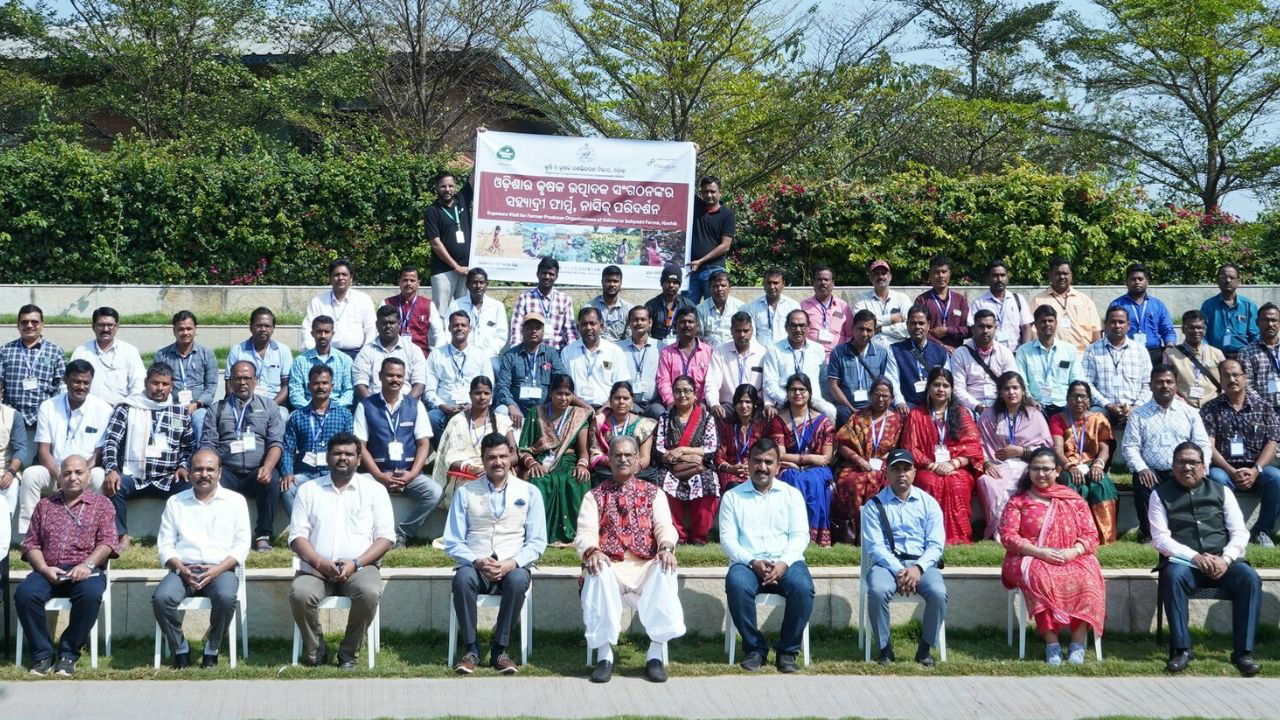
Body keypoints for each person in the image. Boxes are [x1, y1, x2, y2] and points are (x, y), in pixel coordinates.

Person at [575, 435, 685, 684]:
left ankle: (655, 655)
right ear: (609, 461)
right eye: (617, 456)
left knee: (666, 567)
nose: (623, 459)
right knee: (596, 569)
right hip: (611, 566)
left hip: (644, 565)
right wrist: (593, 551)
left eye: (628, 455)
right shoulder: (594, 495)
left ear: (638, 460)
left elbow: (665, 527)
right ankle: (604, 656)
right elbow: (585, 532)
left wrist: (666, 547)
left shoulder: (654, 493)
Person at [1150, 442, 1261, 677]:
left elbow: (1240, 532)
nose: (1187, 467)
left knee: (1249, 578)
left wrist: (1226, 559)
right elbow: (1160, 539)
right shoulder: (1159, 495)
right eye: (1181, 462)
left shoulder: (1222, 491)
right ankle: (1182, 649)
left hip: (1225, 562)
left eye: (1193, 462)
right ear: (1172, 465)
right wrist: (1195, 557)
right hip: (1185, 563)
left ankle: (1243, 652)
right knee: (1172, 576)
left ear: (1204, 466)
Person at [288, 433, 394, 670]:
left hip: (360, 567)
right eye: (337, 453)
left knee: (368, 593)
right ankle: (317, 652)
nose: (342, 458)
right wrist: (319, 562)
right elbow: (297, 537)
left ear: (359, 458)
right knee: (300, 594)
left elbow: (386, 538)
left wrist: (355, 563)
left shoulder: (374, 490)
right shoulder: (308, 490)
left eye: (349, 454)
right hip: (315, 569)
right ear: (327, 457)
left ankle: (348, 653)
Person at [444, 433, 547, 674]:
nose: (497, 462)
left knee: (519, 579)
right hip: (476, 565)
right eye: (491, 457)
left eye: (502, 456)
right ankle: (471, 649)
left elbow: (538, 542)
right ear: (483, 459)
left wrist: (512, 563)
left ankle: (500, 650)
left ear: (511, 457)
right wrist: (477, 561)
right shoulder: (465, 492)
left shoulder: (530, 492)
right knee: (462, 579)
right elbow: (452, 540)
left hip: (512, 564)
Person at [999, 448, 1106, 666]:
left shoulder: (1073, 500)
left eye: (1046, 469)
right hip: (1031, 555)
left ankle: (1077, 643)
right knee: (1040, 578)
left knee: (1087, 577)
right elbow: (1008, 536)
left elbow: (1091, 535)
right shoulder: (1018, 501)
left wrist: (1073, 551)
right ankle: (1052, 644)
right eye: (1035, 469)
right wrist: (1040, 552)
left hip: (1071, 555)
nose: (1041, 474)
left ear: (1057, 471)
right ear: (1028, 471)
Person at [15, 455, 118, 676]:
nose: (73, 477)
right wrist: (43, 569)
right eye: (67, 473)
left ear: (88, 476)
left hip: (85, 571)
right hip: (48, 569)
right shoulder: (45, 505)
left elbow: (108, 541)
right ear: (59, 478)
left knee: (90, 596)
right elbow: (30, 544)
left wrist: (87, 564)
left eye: (78, 472)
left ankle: (68, 654)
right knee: (25, 594)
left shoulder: (102, 505)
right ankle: (42, 655)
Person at [720, 437, 813, 673]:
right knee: (736, 583)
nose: (762, 467)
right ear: (748, 463)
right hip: (748, 563)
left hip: (787, 561)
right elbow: (728, 540)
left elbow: (801, 536)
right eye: (757, 461)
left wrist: (783, 563)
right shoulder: (733, 496)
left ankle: (787, 651)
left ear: (778, 466)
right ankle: (755, 649)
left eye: (768, 462)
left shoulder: (792, 495)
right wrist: (753, 562)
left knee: (803, 587)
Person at [153, 448, 250, 669]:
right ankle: (180, 647)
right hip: (183, 569)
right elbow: (165, 544)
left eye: (209, 469)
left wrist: (216, 570)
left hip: (221, 570)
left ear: (219, 472)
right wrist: (180, 568)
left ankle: (212, 647)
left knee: (226, 598)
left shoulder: (235, 502)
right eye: (198, 469)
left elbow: (242, 545)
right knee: (161, 598)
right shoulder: (176, 502)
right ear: (189, 472)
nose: (204, 474)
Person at [860, 448, 947, 667]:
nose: (901, 474)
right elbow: (875, 546)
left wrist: (918, 568)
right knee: (878, 591)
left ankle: (925, 649)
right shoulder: (874, 506)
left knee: (938, 593)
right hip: (887, 564)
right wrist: (899, 570)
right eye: (895, 469)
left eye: (906, 469)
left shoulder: (929, 503)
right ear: (886, 474)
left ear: (914, 472)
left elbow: (936, 545)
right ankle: (885, 648)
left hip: (922, 563)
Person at [101, 362, 195, 548]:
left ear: (172, 386)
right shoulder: (127, 408)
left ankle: (182, 538)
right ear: (145, 383)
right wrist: (111, 468)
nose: (159, 388)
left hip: (167, 477)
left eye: (165, 384)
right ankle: (121, 535)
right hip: (133, 475)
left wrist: (184, 466)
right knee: (114, 485)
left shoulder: (180, 413)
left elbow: (188, 447)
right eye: (155, 383)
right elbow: (111, 442)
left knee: (189, 488)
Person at [354, 357, 442, 547]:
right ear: (380, 376)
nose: (394, 380)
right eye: (390, 375)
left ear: (404, 379)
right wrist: (378, 475)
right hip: (377, 473)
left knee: (434, 492)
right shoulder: (366, 406)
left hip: (407, 473)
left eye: (399, 376)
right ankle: (365, 536)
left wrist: (412, 475)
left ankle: (402, 533)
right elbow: (360, 446)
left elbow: (423, 444)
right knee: (355, 489)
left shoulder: (415, 405)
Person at [1121, 365, 1213, 542]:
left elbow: (1202, 444)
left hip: (1183, 470)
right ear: (1151, 385)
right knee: (1141, 481)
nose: (1165, 386)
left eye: (1169, 382)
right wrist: (1141, 468)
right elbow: (1129, 446)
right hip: (1152, 471)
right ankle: (1149, 534)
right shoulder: (1138, 415)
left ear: (1176, 385)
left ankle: (1186, 533)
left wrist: (1202, 466)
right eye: (1159, 382)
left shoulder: (1190, 413)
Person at [18, 361, 111, 536]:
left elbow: (99, 452)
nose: (81, 387)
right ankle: (29, 537)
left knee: (99, 475)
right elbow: (43, 450)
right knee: (31, 475)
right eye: (76, 381)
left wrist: (78, 474)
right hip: (56, 472)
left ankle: (94, 532)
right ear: (65, 380)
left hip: (85, 472)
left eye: (86, 383)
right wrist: (61, 476)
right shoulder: (48, 406)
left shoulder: (103, 409)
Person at [201, 360, 285, 553]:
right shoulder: (217, 409)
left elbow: (276, 443)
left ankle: (263, 535)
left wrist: (269, 467)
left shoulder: (269, 407)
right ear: (229, 382)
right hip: (226, 470)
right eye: (237, 378)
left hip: (257, 471)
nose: (242, 382)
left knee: (272, 481)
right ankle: (218, 536)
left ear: (255, 381)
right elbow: (208, 444)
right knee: (208, 479)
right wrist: (213, 470)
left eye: (247, 378)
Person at [1199, 359, 1280, 546]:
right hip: (1224, 467)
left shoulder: (1264, 408)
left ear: (1245, 378)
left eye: (1236, 375)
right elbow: (1208, 446)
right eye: (1226, 376)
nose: (1232, 379)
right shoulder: (1210, 408)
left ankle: (1262, 530)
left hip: (1256, 467)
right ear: (1220, 380)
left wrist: (1255, 470)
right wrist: (1230, 470)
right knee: (1216, 479)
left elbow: (1271, 443)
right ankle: (1227, 531)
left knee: (1277, 478)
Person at [901, 367, 983, 544]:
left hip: (956, 467)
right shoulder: (916, 414)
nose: (941, 389)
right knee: (928, 482)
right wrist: (932, 465)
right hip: (927, 467)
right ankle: (927, 537)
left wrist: (953, 464)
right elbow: (910, 447)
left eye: (946, 385)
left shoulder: (962, 413)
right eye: (936, 385)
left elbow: (973, 446)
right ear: (928, 388)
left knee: (957, 483)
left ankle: (958, 538)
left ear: (952, 390)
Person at [517, 373, 592, 545]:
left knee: (578, 480)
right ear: (550, 393)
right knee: (540, 480)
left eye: (568, 394)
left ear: (573, 395)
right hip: (542, 461)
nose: (563, 398)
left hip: (569, 462)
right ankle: (539, 534)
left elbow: (583, 452)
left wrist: (582, 466)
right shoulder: (536, 413)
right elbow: (523, 449)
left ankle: (577, 535)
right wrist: (533, 463)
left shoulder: (579, 416)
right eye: (559, 393)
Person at [976, 372, 1051, 540]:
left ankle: (1012, 529)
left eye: (1015, 388)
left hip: (1026, 464)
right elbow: (978, 444)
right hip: (997, 465)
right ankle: (998, 528)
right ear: (1000, 393)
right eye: (1006, 389)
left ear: (1023, 391)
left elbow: (1046, 448)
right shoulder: (989, 415)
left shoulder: (1034, 415)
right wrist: (987, 464)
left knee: (1020, 476)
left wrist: (1022, 451)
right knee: (986, 481)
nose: (1011, 392)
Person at [768, 373, 836, 546]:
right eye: (793, 390)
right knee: (792, 477)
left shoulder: (823, 421)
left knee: (813, 480)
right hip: (787, 466)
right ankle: (792, 536)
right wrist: (808, 459)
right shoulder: (779, 420)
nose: (797, 393)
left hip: (816, 469)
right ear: (787, 393)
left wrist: (803, 460)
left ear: (810, 393)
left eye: (802, 389)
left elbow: (826, 457)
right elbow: (780, 454)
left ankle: (815, 538)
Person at [832, 378, 902, 544]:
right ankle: (852, 537)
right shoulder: (858, 417)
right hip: (856, 464)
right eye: (877, 394)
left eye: (886, 396)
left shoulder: (898, 420)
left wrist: (885, 461)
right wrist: (859, 460)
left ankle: (880, 537)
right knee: (849, 481)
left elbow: (900, 448)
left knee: (882, 483)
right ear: (870, 395)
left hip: (885, 466)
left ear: (892, 398)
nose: (881, 399)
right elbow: (842, 444)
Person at [1048, 381, 1119, 544]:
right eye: (1074, 396)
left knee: (1101, 485)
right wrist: (1070, 467)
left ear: (1089, 400)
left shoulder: (1099, 419)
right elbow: (1058, 449)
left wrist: (1098, 464)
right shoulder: (1058, 419)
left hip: (1092, 464)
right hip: (1067, 464)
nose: (1079, 400)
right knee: (1074, 486)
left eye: (1083, 396)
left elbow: (1104, 449)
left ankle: (1104, 537)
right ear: (1067, 399)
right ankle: (1073, 535)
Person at [281, 364, 354, 515]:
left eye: (325, 383)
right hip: (305, 473)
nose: (320, 387)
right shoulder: (297, 416)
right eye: (316, 383)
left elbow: (350, 448)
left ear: (332, 386)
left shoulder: (344, 415)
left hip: (334, 472)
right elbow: (287, 449)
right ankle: (302, 529)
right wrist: (287, 472)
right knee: (287, 488)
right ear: (309, 386)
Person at [656, 375, 719, 545]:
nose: (682, 395)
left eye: (687, 391)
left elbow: (711, 448)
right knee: (662, 481)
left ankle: (699, 536)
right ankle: (678, 535)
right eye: (677, 391)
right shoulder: (665, 418)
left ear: (695, 394)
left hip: (700, 466)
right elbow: (660, 448)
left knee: (708, 483)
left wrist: (682, 450)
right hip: (672, 466)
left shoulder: (707, 418)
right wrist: (683, 457)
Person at [0, 304, 66, 464]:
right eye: (24, 322)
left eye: (34, 322)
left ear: (42, 324)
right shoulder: (6, 351)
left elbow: (61, 385)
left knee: (41, 464)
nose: (29, 325)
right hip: (13, 420)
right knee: (14, 463)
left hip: (43, 421)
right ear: (18, 325)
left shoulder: (55, 351)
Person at [432, 377, 516, 499]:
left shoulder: (502, 421)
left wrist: (494, 465)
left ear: (491, 396)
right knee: (467, 492)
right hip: (465, 476)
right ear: (470, 395)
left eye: (486, 393)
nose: (482, 397)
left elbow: (514, 454)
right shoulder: (457, 421)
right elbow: (449, 459)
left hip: (498, 471)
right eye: (477, 393)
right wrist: (471, 469)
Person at [425, 311, 495, 437]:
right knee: (432, 418)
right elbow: (429, 390)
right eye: (456, 325)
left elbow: (490, 388)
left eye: (463, 325)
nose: (459, 328)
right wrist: (443, 406)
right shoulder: (436, 355)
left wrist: (472, 405)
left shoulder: (481, 356)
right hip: (444, 409)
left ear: (469, 329)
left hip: (474, 407)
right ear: (449, 328)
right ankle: (444, 454)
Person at [154, 310, 219, 448]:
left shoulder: (207, 354)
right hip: (171, 406)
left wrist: (196, 404)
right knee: (173, 424)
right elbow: (155, 383)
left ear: (195, 329)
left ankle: (202, 458)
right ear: (174, 331)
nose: (185, 332)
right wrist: (173, 405)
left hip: (198, 407)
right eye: (181, 329)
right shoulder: (162, 355)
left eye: (189, 328)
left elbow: (211, 386)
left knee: (200, 419)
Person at [1084, 305, 1153, 431]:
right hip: (1103, 408)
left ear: (1128, 325)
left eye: (1121, 322)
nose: (1117, 326)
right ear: (1106, 325)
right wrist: (1108, 405)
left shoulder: (1140, 351)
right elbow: (1087, 384)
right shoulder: (1092, 350)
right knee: (1091, 417)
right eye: (1113, 322)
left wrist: (1135, 407)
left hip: (1135, 407)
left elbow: (1148, 384)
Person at [496, 312, 570, 429]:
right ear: (522, 330)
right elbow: (502, 385)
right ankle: (507, 446)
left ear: (543, 331)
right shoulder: (510, 355)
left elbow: (562, 379)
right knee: (501, 410)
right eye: (529, 327)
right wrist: (511, 404)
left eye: (537, 328)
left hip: (545, 409)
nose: (534, 331)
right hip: (517, 409)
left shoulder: (551, 353)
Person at [826, 309, 898, 427]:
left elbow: (886, 385)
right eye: (861, 329)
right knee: (842, 413)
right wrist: (851, 408)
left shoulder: (881, 353)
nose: (864, 334)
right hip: (848, 405)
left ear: (874, 332)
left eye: (869, 330)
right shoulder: (838, 352)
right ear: (853, 328)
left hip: (875, 405)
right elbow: (833, 385)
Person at [763, 310, 838, 420]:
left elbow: (823, 381)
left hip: (813, 400)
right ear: (786, 328)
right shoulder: (774, 350)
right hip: (785, 399)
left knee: (830, 411)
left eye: (802, 326)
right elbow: (769, 382)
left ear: (808, 327)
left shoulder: (818, 349)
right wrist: (788, 399)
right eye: (793, 326)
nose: (798, 330)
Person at [1016, 305, 1085, 417]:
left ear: (1056, 323)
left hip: (1064, 406)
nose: (1047, 324)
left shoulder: (1069, 350)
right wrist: (1030, 400)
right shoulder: (1023, 351)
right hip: (1035, 406)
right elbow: (1022, 382)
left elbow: (1076, 380)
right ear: (1035, 324)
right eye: (1043, 321)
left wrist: (1071, 403)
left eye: (1050, 321)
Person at [300, 258, 377, 357]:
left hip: (356, 354)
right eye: (336, 275)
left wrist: (365, 354)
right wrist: (313, 353)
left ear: (351, 278)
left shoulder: (363, 299)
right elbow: (307, 328)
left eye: (344, 274)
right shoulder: (318, 301)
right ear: (330, 278)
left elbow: (371, 329)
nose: (341, 278)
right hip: (325, 354)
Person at [225, 307, 292, 420]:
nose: (263, 329)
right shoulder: (237, 350)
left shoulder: (283, 351)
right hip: (242, 402)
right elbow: (229, 384)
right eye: (259, 325)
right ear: (251, 327)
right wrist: (241, 405)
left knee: (283, 416)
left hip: (274, 402)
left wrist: (271, 406)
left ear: (273, 328)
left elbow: (286, 386)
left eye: (267, 326)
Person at [71, 306, 145, 406]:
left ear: (117, 327)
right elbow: (70, 382)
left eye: (110, 325)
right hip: (88, 411)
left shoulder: (130, 352)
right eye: (101, 325)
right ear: (93, 327)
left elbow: (138, 383)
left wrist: (129, 407)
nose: (105, 329)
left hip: (120, 411)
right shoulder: (82, 352)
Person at [588, 381, 658, 485]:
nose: (621, 402)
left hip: (636, 472)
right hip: (609, 471)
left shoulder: (645, 425)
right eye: (617, 398)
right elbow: (596, 453)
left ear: (632, 402)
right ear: (610, 401)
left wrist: (629, 469)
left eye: (626, 398)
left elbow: (645, 457)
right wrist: (616, 466)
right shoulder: (599, 423)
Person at [424, 170, 475, 312]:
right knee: (441, 312)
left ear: (455, 187)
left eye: (451, 186)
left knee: (464, 312)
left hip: (466, 270)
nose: (447, 189)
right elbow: (435, 243)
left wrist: (482, 148)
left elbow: (474, 175)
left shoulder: (463, 199)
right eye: (443, 186)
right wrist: (455, 266)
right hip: (443, 271)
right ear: (436, 188)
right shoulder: (432, 211)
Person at [950, 310, 1017, 415]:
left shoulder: (1005, 353)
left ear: (995, 329)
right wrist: (977, 406)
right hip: (970, 406)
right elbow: (958, 389)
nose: (985, 330)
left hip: (1000, 403)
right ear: (973, 329)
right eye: (981, 326)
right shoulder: (960, 353)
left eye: (989, 327)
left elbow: (1012, 384)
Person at [353, 305, 428, 400]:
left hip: (407, 404)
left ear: (399, 324)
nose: (388, 326)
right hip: (374, 406)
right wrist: (373, 407)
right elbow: (360, 385)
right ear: (377, 325)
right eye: (384, 323)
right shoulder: (366, 352)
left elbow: (419, 384)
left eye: (392, 323)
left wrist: (406, 406)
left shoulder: (413, 350)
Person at [562, 307, 630, 409]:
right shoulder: (567, 352)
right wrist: (584, 406)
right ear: (578, 327)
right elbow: (564, 387)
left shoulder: (615, 351)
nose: (589, 327)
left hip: (608, 409)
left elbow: (621, 386)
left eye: (593, 323)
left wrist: (603, 411)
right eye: (584, 324)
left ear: (601, 326)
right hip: (576, 408)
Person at [1111, 262, 1176, 365]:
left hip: (1155, 353)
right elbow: (1110, 330)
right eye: (1133, 279)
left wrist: (1169, 348)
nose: (1137, 282)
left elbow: (1168, 330)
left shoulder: (1158, 305)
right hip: (1127, 353)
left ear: (1147, 282)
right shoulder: (1117, 305)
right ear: (1126, 282)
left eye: (1140, 279)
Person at [684, 175, 735, 304]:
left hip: (714, 269)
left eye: (713, 191)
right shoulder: (695, 207)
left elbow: (725, 246)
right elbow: (685, 179)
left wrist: (700, 261)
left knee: (715, 309)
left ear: (720, 192)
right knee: (686, 310)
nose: (709, 195)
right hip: (692, 271)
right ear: (701, 193)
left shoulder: (727, 215)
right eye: (706, 191)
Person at [1032, 257, 1100, 353]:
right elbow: (1033, 331)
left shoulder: (1085, 300)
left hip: (1082, 354)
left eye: (1065, 273)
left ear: (1071, 275)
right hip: (1052, 355)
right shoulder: (1038, 301)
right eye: (1058, 273)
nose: (1062, 277)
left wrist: (1096, 354)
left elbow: (1095, 330)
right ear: (1050, 275)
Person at [655, 308, 718, 410]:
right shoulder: (667, 352)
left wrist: (703, 402)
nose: (687, 325)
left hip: (701, 404)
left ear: (697, 326)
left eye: (690, 322)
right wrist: (671, 402)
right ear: (675, 326)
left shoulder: (708, 352)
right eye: (682, 322)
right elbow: (663, 381)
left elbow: (711, 381)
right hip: (675, 403)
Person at [708, 312, 769, 418]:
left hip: (754, 406)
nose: (742, 335)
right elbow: (712, 382)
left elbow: (768, 384)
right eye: (738, 331)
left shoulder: (762, 353)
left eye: (746, 331)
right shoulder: (720, 352)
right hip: (728, 407)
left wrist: (768, 404)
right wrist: (714, 404)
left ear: (752, 331)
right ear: (731, 331)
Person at [508, 257, 578, 350]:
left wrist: (572, 352)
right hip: (531, 352)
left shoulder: (565, 300)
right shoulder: (525, 298)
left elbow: (570, 331)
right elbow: (516, 328)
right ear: (538, 274)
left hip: (557, 352)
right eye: (544, 273)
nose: (547, 277)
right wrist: (516, 354)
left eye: (551, 274)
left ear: (556, 277)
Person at [287, 314, 355, 410]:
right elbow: (295, 392)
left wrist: (332, 409)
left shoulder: (345, 360)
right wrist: (311, 409)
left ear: (332, 333)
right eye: (319, 332)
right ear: (312, 333)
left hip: (337, 411)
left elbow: (349, 391)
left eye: (327, 332)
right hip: (307, 411)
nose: (323, 335)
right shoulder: (300, 361)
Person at [890, 305, 950, 412]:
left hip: (935, 404)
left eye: (921, 323)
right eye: (913, 323)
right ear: (907, 325)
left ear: (928, 325)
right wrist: (900, 402)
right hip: (908, 405)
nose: (917, 327)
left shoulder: (941, 352)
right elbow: (892, 379)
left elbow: (946, 381)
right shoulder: (895, 350)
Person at [714, 384, 771, 495]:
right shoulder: (725, 424)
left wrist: (755, 467)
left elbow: (768, 452)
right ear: (734, 404)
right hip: (731, 470)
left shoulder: (762, 424)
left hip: (757, 469)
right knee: (734, 489)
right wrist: (730, 468)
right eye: (740, 402)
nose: (744, 406)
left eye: (748, 402)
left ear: (754, 404)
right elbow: (719, 455)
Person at [969, 260, 1033, 353]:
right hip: (989, 355)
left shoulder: (1018, 299)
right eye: (995, 276)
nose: (999, 279)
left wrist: (1023, 352)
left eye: (1002, 275)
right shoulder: (978, 303)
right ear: (987, 279)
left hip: (1016, 353)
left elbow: (1026, 327)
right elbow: (973, 331)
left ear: (1007, 278)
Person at [1163, 310, 1224, 409]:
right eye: (1191, 328)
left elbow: (1225, 382)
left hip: (1214, 408)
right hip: (1183, 408)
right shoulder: (1170, 355)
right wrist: (1182, 404)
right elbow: (1167, 384)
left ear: (1204, 330)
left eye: (1199, 328)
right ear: (1183, 329)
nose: (1196, 331)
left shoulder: (1217, 354)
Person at [448, 268, 508, 360]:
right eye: (474, 282)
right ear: (467, 285)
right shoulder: (455, 305)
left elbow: (501, 335)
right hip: (460, 354)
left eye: (482, 282)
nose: (478, 286)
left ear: (486, 285)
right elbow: (448, 332)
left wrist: (486, 354)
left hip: (489, 356)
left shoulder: (497, 306)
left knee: (496, 370)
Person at [1201, 262, 1258, 358]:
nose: (1228, 280)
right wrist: (1208, 353)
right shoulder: (1208, 305)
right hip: (1216, 355)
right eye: (1223, 277)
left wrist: (1252, 354)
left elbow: (1255, 334)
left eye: (1232, 278)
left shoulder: (1248, 305)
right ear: (1217, 281)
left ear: (1238, 281)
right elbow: (1202, 333)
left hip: (1243, 355)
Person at [385, 265, 443, 357]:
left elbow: (439, 333)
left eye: (412, 280)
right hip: (393, 354)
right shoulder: (387, 303)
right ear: (399, 281)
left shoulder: (428, 305)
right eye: (405, 280)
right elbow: (378, 330)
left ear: (418, 283)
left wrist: (435, 356)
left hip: (421, 355)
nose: (408, 283)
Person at [853, 260, 912, 349]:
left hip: (899, 349)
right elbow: (861, 324)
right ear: (870, 278)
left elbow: (910, 327)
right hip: (871, 349)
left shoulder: (902, 299)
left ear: (890, 277)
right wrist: (890, 319)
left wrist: (881, 329)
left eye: (884, 273)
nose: (880, 276)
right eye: (876, 274)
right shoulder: (861, 299)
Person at [914, 254, 968, 351]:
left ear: (949, 273)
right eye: (936, 272)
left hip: (956, 352)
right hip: (929, 351)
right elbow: (919, 329)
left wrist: (947, 330)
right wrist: (942, 346)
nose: (941, 276)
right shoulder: (922, 300)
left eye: (944, 272)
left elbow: (968, 330)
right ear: (930, 275)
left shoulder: (960, 300)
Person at [618, 306, 664, 420]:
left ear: (650, 322)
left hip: (655, 402)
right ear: (629, 323)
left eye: (643, 319)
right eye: (635, 319)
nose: (639, 323)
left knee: (661, 414)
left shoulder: (661, 347)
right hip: (629, 402)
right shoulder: (618, 348)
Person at [801, 265, 851, 361]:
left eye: (826, 280)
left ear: (832, 284)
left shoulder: (842, 306)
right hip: (811, 357)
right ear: (814, 283)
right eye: (819, 279)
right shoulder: (804, 306)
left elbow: (850, 334)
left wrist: (845, 353)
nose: (823, 283)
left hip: (838, 357)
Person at [1239, 302, 1280, 413]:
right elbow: (1247, 385)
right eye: (1266, 320)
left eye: (1274, 320)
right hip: (1263, 412)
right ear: (1257, 323)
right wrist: (1265, 407)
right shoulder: (1246, 352)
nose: (1270, 324)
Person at [745, 267, 801, 346]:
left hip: (785, 352)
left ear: (783, 284)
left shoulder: (793, 306)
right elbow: (751, 334)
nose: (772, 287)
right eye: (768, 283)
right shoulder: (752, 306)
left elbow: (796, 332)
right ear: (764, 284)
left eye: (775, 283)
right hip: (761, 354)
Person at [644, 264, 696, 346]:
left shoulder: (688, 305)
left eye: (675, 282)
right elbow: (645, 331)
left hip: (681, 346)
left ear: (680, 285)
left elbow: (695, 331)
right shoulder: (651, 305)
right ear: (661, 283)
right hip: (656, 346)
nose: (671, 285)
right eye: (668, 281)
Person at [588, 265, 634, 343]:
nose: (612, 284)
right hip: (595, 349)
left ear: (621, 283)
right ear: (602, 282)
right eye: (608, 281)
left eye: (615, 281)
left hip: (619, 351)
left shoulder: (629, 309)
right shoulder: (589, 307)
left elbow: (629, 338)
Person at [697, 270, 743, 346]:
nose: (719, 289)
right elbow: (698, 337)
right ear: (709, 288)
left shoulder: (740, 307)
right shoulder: (700, 309)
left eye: (723, 285)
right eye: (715, 286)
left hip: (734, 354)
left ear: (729, 287)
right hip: (709, 354)